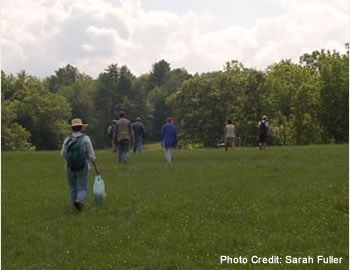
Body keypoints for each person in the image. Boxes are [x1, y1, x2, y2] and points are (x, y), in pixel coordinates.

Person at [61, 118, 100, 211]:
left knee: (72, 187)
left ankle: (74, 207)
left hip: (69, 166)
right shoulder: (85, 138)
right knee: (82, 186)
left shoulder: (67, 139)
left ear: (72, 128)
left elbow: (63, 154)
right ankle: (79, 200)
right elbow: (91, 154)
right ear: (81, 128)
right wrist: (96, 167)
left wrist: (71, 160)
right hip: (83, 166)